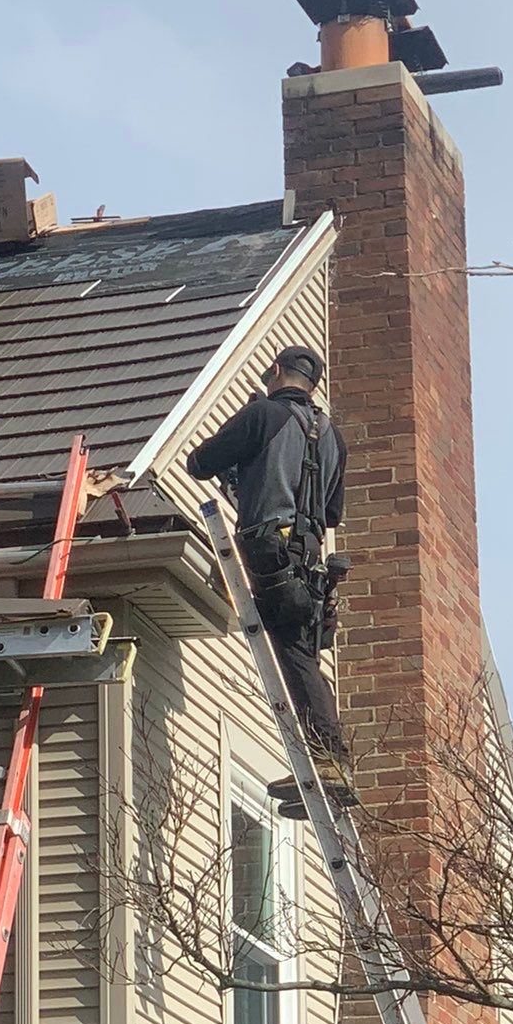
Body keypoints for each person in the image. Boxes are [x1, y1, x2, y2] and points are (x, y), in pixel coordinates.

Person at [186, 345, 355, 810]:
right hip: (308, 562)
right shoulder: (333, 437)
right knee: (300, 657)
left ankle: (329, 760)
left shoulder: (264, 414)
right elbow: (333, 512)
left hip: (269, 551)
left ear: (276, 371)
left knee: (296, 658)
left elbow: (199, 463)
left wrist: (246, 459)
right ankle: (325, 764)